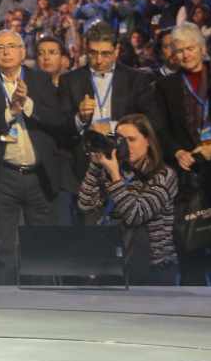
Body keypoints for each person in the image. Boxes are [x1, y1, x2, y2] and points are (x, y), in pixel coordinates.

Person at [0, 30, 77, 285]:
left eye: (11, 46)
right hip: (3, 175)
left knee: (42, 244)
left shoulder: (41, 81)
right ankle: (7, 303)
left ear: (22, 52)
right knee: (4, 247)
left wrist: (27, 104)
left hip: (38, 175)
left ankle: (44, 301)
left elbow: (60, 121)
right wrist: (10, 112)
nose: (6, 52)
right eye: (0, 48)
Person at [151, 22, 211, 286]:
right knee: (190, 246)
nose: (185, 55)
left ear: (201, 49)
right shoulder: (166, 85)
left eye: (190, 49)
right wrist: (176, 151)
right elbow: (160, 128)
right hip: (186, 174)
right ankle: (194, 308)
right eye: (179, 51)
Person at [76, 114, 179, 284]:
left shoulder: (164, 175)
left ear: (148, 141)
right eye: (122, 140)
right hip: (116, 263)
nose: (127, 146)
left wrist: (115, 176)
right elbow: (85, 205)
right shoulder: (116, 168)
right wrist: (96, 164)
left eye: (132, 139)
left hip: (154, 268)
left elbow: (136, 215)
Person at [61, 22, 154, 182]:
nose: (98, 60)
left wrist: (112, 127)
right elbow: (61, 126)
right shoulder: (69, 80)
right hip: (84, 167)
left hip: (126, 164)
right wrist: (80, 118)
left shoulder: (137, 79)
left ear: (117, 50)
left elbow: (149, 121)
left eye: (105, 54)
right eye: (93, 53)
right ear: (85, 49)